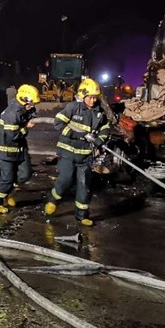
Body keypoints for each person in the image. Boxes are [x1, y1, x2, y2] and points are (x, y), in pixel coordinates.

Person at [44, 78, 110, 227]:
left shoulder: (99, 112)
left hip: (85, 155)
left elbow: (106, 127)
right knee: (66, 179)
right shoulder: (73, 107)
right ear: (83, 95)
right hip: (68, 152)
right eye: (90, 97)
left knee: (84, 184)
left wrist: (101, 139)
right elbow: (58, 123)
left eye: (95, 97)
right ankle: (53, 201)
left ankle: (82, 215)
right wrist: (79, 135)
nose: (93, 101)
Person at [0, 84, 39, 214]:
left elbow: (30, 113)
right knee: (7, 179)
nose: (33, 106)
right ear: (23, 99)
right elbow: (13, 136)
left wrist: (30, 112)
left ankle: (6, 191)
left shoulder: (21, 107)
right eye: (31, 103)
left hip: (19, 149)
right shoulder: (12, 114)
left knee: (25, 174)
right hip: (7, 151)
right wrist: (26, 127)